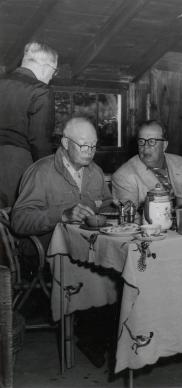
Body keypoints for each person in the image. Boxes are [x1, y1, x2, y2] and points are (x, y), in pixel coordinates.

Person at [11, 116, 114, 368]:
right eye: (83, 146)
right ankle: (94, 337)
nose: (90, 152)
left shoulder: (95, 172)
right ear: (65, 143)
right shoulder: (41, 171)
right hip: (47, 250)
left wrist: (111, 207)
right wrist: (62, 214)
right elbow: (19, 220)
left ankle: (106, 334)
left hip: (90, 246)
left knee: (124, 264)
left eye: (93, 146)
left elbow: (108, 203)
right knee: (99, 271)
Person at [0, 41, 58, 207]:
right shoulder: (40, 91)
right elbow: (40, 142)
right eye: (54, 71)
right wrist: (47, 176)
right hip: (16, 166)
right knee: (20, 221)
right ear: (45, 67)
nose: (51, 76)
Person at [112, 120, 182, 208]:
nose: (145, 147)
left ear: (164, 145)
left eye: (152, 142)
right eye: (141, 141)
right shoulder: (123, 176)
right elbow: (131, 218)